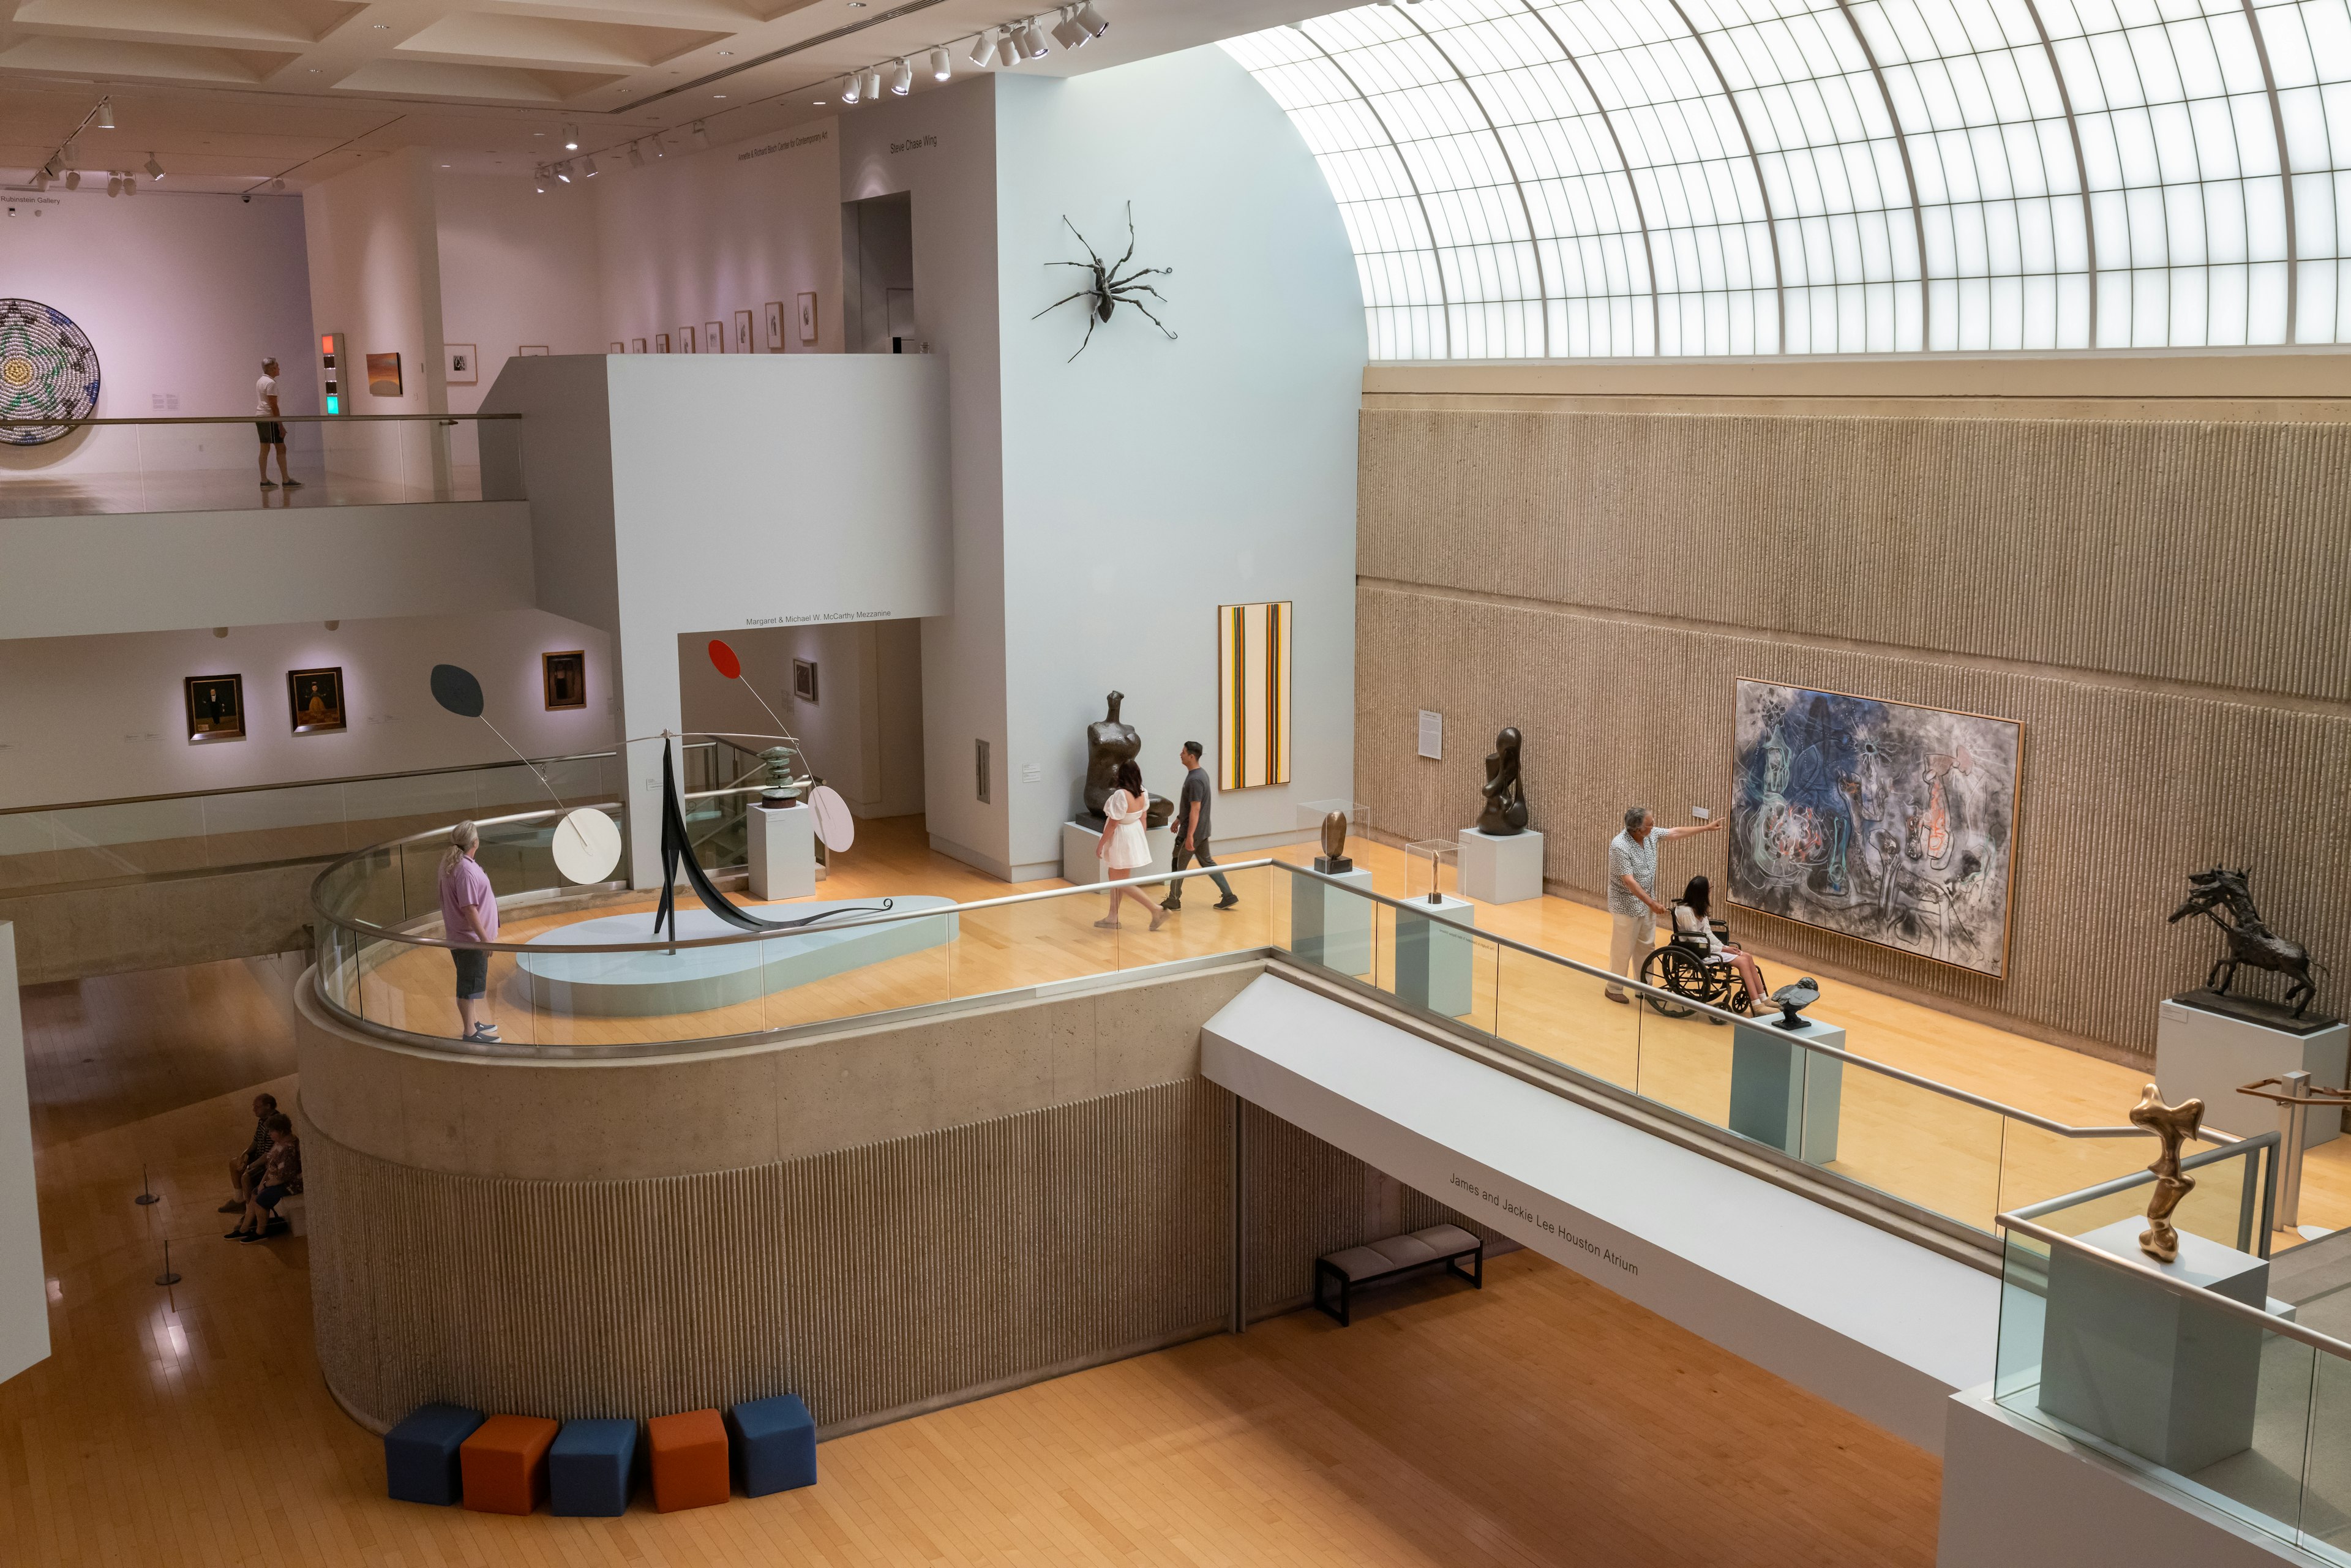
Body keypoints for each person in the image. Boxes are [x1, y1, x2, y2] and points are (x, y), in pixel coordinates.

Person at [1605, 804, 1723, 1003]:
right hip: (1626, 906)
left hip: (1646, 903)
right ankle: (1613, 987)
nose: (1654, 827)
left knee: (1646, 946)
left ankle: (1644, 988)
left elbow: (1675, 832)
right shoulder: (1620, 846)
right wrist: (1652, 903)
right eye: (1650, 825)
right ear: (1637, 829)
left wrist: (1706, 828)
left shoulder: (1650, 835)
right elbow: (1629, 881)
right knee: (1623, 948)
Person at [1670, 874, 1771, 1016]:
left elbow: (1708, 934)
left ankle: (1764, 999)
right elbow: (1695, 940)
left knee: (1747, 957)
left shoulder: (1699, 908)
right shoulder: (1686, 912)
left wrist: (1726, 947)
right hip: (1696, 951)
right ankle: (1757, 1005)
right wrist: (1721, 949)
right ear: (1702, 893)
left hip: (1705, 947)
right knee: (1742, 962)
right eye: (1710, 888)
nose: (1711, 891)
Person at [438, 820, 501, 1041]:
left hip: (462, 937)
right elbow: (469, 909)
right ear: (475, 842)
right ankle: (470, 1032)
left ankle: (473, 1022)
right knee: (469, 986)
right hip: (471, 940)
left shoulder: (453, 863)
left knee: (469, 982)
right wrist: (484, 939)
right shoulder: (464, 870)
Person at [1160, 741, 1237, 912]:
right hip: (1201, 829)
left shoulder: (1195, 779)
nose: (1181, 754)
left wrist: (1189, 836)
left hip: (1194, 832)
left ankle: (1174, 899)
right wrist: (1179, 818)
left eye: (1184, 752)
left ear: (1192, 756)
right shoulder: (1200, 775)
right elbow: (1190, 807)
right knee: (1207, 862)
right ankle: (1228, 895)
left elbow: (1196, 808)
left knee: (1179, 863)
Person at [1094, 760, 1166, 932]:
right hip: (1133, 835)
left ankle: (1155, 909)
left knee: (1118, 880)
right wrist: (1140, 840)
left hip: (1121, 837)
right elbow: (1143, 819)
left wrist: (1101, 844)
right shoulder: (1143, 792)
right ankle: (1113, 917)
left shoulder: (1121, 795)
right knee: (1117, 877)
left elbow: (1113, 824)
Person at [225, 1113, 300, 1242]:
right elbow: (271, 1164)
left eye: (272, 1131)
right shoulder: (279, 1142)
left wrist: (265, 1185)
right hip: (274, 1181)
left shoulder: (288, 1149)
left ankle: (261, 1232)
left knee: (261, 1200)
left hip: (290, 1185)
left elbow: (283, 1177)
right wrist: (262, 1184)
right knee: (255, 1193)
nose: (270, 1134)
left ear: (281, 1131)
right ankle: (244, 1230)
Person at [218, 1092, 278, 1214]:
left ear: (268, 1106)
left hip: (267, 1164)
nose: (254, 1110)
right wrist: (243, 1156)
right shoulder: (262, 1120)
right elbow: (256, 1141)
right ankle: (239, 1199)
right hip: (258, 1157)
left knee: (246, 1177)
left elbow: (268, 1155)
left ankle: (249, 1212)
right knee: (234, 1163)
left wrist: (250, 1166)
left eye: (257, 1107)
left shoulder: (274, 1124)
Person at [254, 358, 299, 490]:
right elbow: (274, 405)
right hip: (269, 419)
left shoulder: (260, 381)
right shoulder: (271, 383)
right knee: (281, 447)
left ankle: (264, 479)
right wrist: (280, 424)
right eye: (278, 367)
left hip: (261, 418)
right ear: (272, 369)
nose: (280, 369)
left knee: (264, 448)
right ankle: (285, 479)